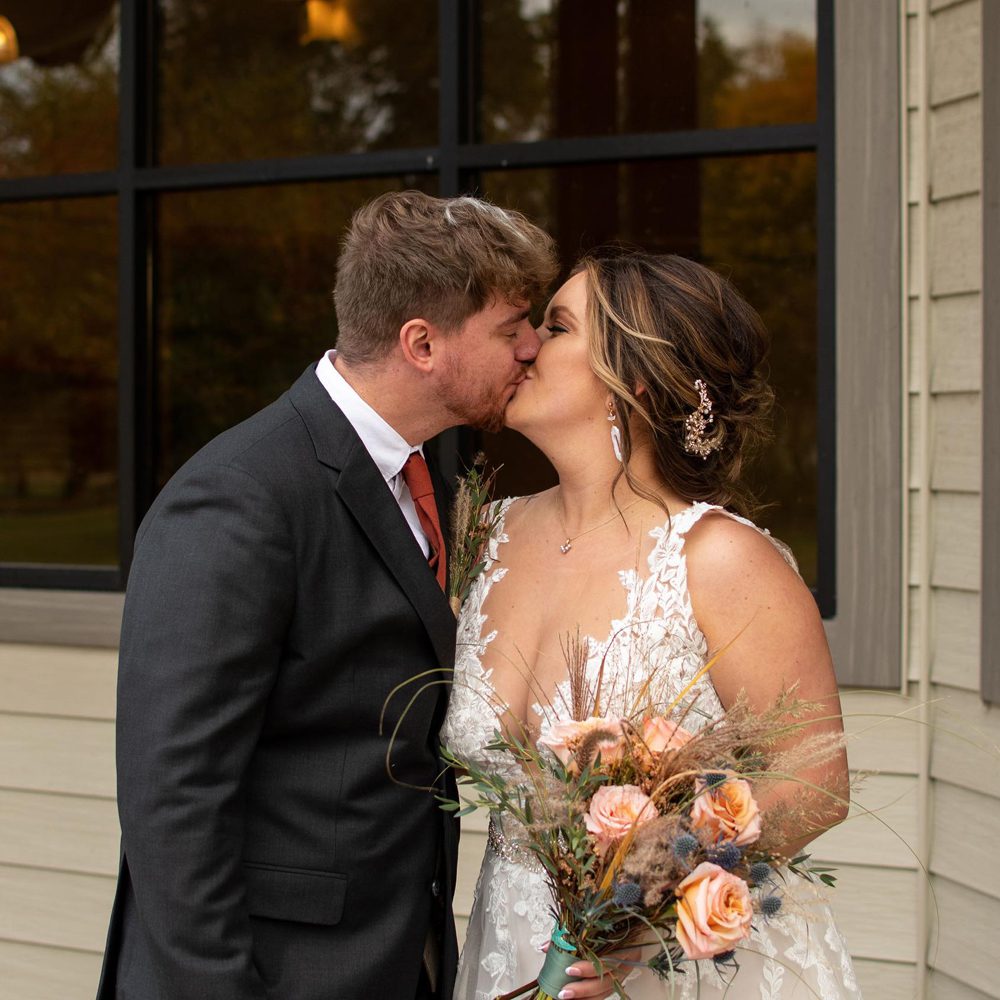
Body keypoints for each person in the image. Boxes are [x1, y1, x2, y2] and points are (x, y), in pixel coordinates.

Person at [96, 190, 568, 1000]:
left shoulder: (422, 475)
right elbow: (173, 797)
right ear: (422, 343)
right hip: (271, 973)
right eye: (511, 327)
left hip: (388, 953)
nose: (533, 347)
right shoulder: (240, 496)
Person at [443, 251, 860, 999]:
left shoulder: (719, 556)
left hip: (676, 971)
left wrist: (638, 910)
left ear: (632, 380)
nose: (528, 344)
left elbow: (817, 779)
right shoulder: (485, 534)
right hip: (510, 946)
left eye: (557, 326)